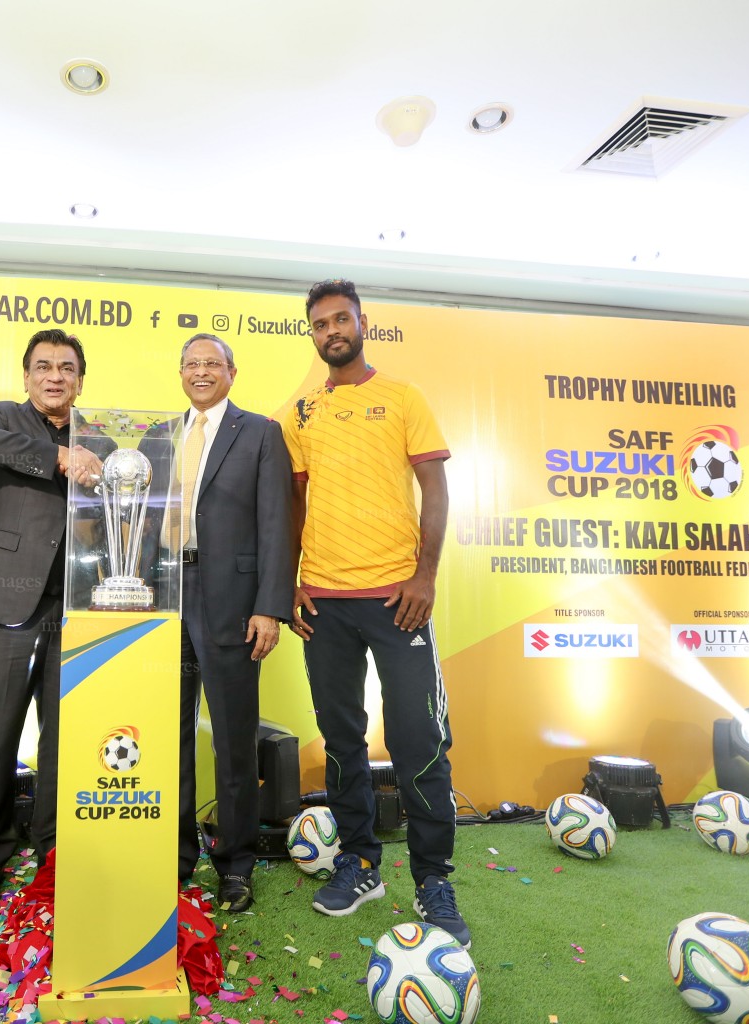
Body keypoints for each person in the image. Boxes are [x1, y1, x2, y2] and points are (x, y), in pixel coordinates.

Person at [282, 278, 469, 947]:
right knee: (341, 741)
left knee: (420, 742)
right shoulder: (297, 412)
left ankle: (433, 878)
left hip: (398, 597)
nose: (333, 330)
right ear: (312, 335)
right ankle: (360, 862)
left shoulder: (403, 397)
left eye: (342, 319)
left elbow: (435, 485)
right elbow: (293, 507)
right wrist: (291, 584)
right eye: (321, 324)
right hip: (324, 602)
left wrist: (424, 573)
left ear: (363, 323)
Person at [0, 328, 110, 912]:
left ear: (80, 381)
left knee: (63, 735)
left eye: (67, 369)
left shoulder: (98, 437)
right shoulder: (0, 418)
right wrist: (58, 457)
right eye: (44, 367)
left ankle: (52, 851)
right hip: (8, 597)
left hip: (78, 603)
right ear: (27, 377)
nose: (55, 377)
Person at [144, 333, 292, 913]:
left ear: (232, 372)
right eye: (191, 363)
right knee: (169, 738)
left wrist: (270, 605)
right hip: (165, 593)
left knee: (232, 741)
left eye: (212, 363)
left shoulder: (259, 432)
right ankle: (177, 856)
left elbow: (277, 524)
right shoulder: (160, 435)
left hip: (231, 598)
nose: (200, 371)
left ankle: (235, 864)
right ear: (180, 372)